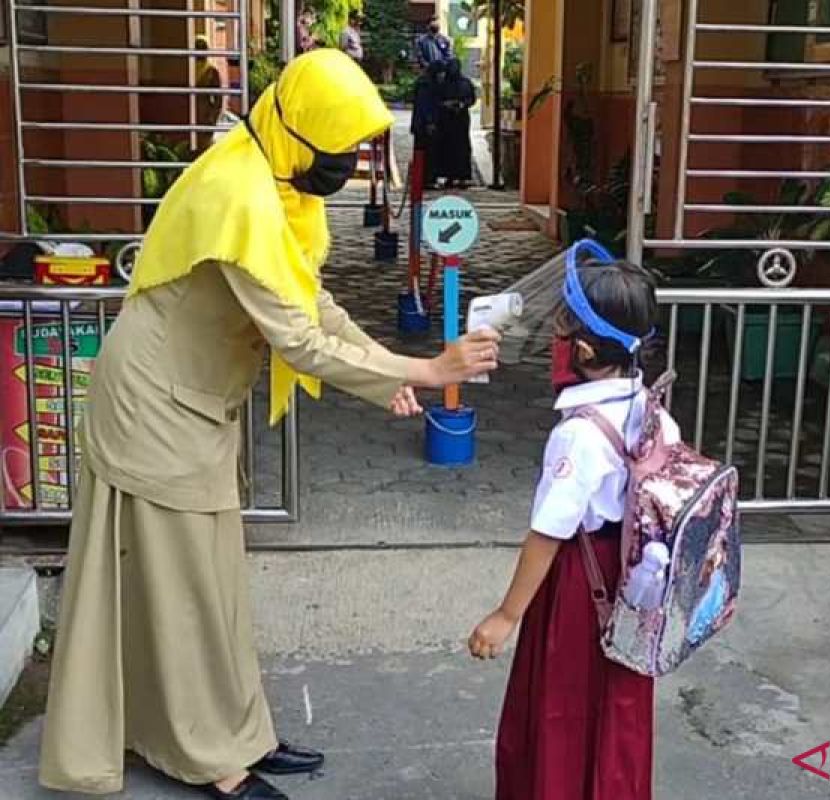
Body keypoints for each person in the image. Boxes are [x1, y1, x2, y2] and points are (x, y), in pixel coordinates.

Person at [38, 49, 501, 800]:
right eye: (339, 147)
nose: (345, 164)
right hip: (155, 406)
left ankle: (239, 732)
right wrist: (423, 371)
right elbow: (297, 339)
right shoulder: (240, 195)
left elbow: (314, 304)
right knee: (182, 588)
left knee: (212, 581)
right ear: (301, 129)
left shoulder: (277, 183)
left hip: (193, 401)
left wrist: (387, 366)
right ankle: (212, 759)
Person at [468, 259, 677, 800]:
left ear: (583, 349)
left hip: (579, 586)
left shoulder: (577, 435)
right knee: (617, 706)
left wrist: (505, 614)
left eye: (563, 326)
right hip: (630, 582)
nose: (555, 336)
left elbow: (549, 532)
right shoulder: (650, 406)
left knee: (560, 707)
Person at [431, 58, 475, 189]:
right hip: (446, 120)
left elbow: (471, 99)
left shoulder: (465, 83)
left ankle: (462, 176)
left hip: (460, 119)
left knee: (461, 147)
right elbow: (437, 99)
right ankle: (449, 176)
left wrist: (462, 104)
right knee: (447, 148)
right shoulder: (443, 83)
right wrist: (445, 105)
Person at [194, 36, 224, 152]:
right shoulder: (188, 69)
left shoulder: (211, 71)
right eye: (198, 48)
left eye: (203, 48)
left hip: (204, 117)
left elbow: (218, 100)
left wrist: (212, 117)